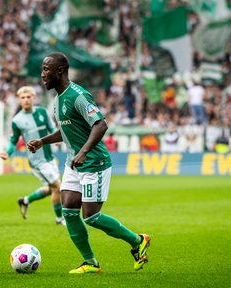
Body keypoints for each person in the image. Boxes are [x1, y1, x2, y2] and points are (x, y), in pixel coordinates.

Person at [27, 52, 150, 274]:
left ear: (60, 71)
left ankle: (138, 240)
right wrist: (42, 141)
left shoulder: (78, 96)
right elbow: (66, 131)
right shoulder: (57, 100)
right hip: (74, 163)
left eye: (46, 69)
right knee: (69, 211)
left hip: (94, 162)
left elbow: (101, 125)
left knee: (91, 216)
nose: (42, 74)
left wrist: (83, 152)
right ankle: (91, 262)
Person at [0, 86, 64, 225]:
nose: (26, 100)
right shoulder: (17, 120)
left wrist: (57, 139)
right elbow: (13, 141)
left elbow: (52, 128)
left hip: (49, 157)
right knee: (58, 187)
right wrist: (8, 153)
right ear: (19, 100)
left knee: (51, 189)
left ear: (34, 98)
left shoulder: (42, 112)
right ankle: (60, 219)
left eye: (29, 97)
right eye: (23, 98)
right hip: (37, 160)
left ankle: (25, 200)